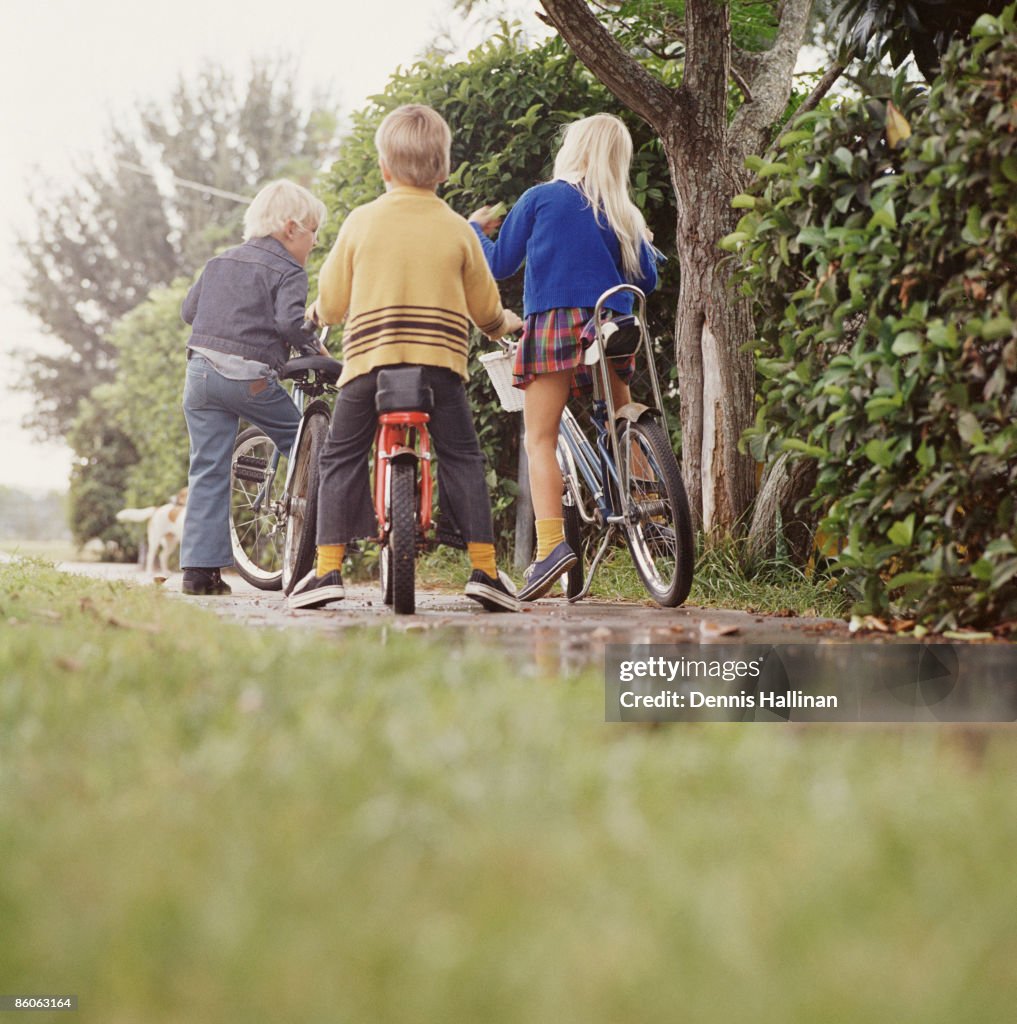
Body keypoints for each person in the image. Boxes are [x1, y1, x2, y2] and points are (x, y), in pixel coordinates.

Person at [288, 104, 524, 612]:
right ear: (443, 169)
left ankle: (327, 569)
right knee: (461, 456)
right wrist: (505, 324)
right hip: (440, 367)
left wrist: (319, 311)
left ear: (384, 168)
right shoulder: (459, 228)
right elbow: (485, 309)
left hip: (368, 368)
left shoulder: (361, 222)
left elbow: (331, 301)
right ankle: (484, 569)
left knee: (340, 457)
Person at [468, 113, 660, 601]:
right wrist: (647, 248)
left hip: (554, 324)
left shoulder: (541, 197)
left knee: (539, 437)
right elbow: (647, 282)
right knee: (619, 416)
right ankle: (652, 505)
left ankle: (551, 547)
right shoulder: (623, 211)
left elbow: (499, 263)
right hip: (612, 323)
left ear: (573, 148)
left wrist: (473, 229)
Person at [180, 179, 327, 596]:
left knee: (207, 468)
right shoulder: (289, 270)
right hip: (250, 380)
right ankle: (331, 550)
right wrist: (313, 344)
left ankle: (199, 573)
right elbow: (288, 323)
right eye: (314, 232)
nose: (315, 242)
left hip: (201, 377)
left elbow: (188, 311)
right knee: (309, 447)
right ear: (291, 228)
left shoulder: (218, 262)